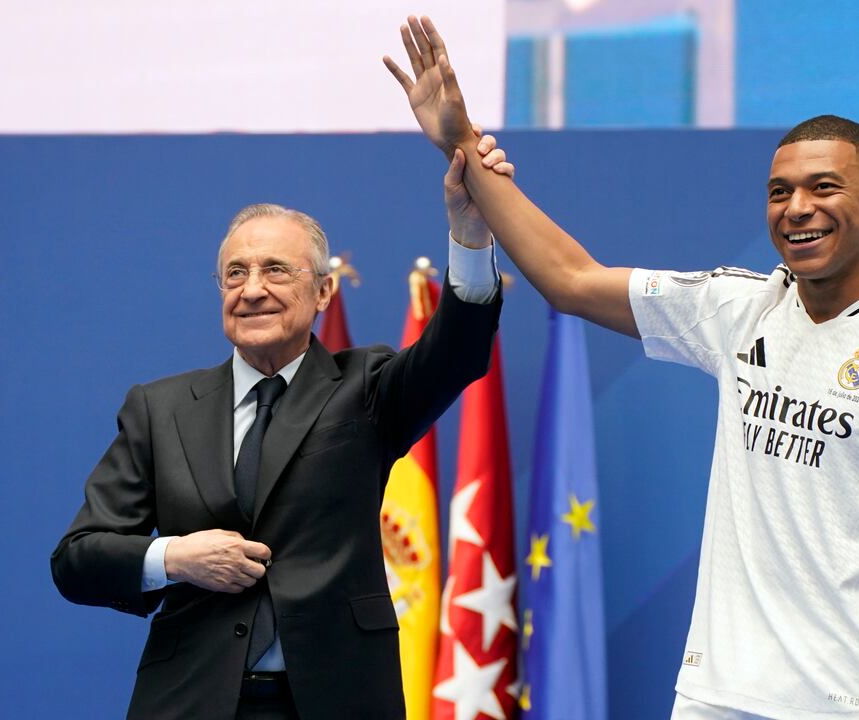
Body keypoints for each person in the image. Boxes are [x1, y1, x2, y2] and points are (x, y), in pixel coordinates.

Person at [385, 16, 859, 720]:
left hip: (857, 704)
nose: (798, 209)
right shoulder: (739, 307)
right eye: (780, 192)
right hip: (715, 698)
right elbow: (571, 278)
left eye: (824, 187)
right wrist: (459, 142)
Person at [51, 131, 515, 719]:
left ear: (323, 291)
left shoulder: (367, 387)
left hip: (334, 699)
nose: (252, 290)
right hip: (192, 700)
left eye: (275, 270)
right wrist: (174, 557)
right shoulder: (159, 408)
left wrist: (470, 236)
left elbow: (458, 351)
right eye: (235, 273)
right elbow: (77, 558)